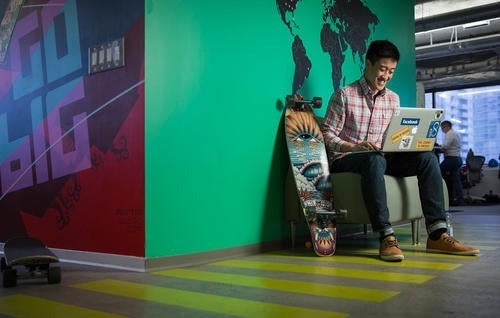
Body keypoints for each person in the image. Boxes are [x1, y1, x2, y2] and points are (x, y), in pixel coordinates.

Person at [321, 40, 479, 261]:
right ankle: (386, 236)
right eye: (382, 69)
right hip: (348, 157)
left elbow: (394, 137)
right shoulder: (345, 95)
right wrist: (353, 146)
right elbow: (327, 135)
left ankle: (437, 234)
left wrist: (410, 143)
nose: (386, 76)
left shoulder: (393, 99)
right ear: (368, 64)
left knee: (426, 157)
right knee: (374, 160)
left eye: (391, 71)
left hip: (382, 156)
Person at [439, 120, 465, 205]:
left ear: (446, 127)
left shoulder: (449, 134)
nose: (442, 130)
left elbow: (445, 146)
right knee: (456, 180)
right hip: (457, 158)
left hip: (451, 159)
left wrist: (438, 147)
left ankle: (445, 196)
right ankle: (459, 199)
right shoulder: (455, 133)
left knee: (437, 172)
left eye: (442, 128)